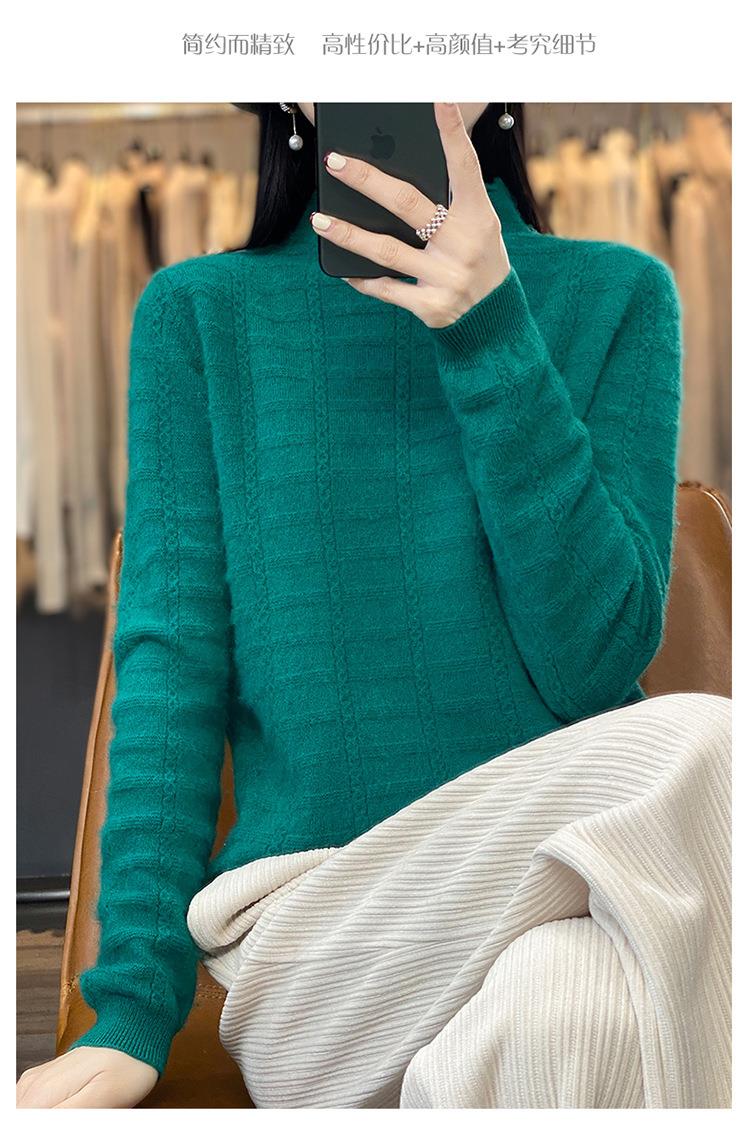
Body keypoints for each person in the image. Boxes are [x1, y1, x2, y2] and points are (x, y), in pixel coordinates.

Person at [17, 102, 731, 1109]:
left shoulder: (619, 296)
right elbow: (172, 674)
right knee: (715, 746)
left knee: (571, 1011)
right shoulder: (201, 313)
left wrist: (488, 326)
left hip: (574, 908)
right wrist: (132, 1008)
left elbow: (594, 659)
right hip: (317, 942)